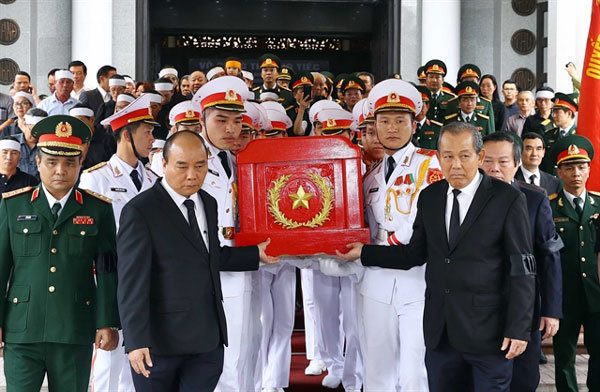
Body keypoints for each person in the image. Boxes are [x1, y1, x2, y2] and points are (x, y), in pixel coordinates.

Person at [338, 122, 536, 391]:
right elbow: (413, 254)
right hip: (441, 336)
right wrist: (364, 253)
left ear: (479, 157)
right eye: (448, 156)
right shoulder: (430, 196)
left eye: (464, 156)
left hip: (489, 335)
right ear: (438, 157)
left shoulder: (507, 199)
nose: (455, 165)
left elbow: (522, 267)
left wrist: (519, 328)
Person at [117, 130, 277, 392]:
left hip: (207, 340)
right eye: (182, 166)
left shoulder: (208, 202)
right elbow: (131, 282)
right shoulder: (140, 211)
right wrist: (135, 341)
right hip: (160, 344)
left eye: (200, 166)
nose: (192, 175)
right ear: (164, 165)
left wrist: (254, 254)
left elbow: (209, 256)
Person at [0, 114, 120, 392]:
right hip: (22, 329)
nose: (60, 171)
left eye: (69, 163)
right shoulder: (13, 207)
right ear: (38, 162)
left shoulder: (97, 209)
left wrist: (106, 321)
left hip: (74, 328)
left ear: (80, 164)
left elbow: (106, 269)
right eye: (52, 162)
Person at [356, 78, 441, 391]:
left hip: (418, 283)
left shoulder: (431, 165)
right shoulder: (371, 176)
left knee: (414, 371)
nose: (392, 128)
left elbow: (425, 224)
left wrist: (388, 242)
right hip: (376, 282)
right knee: (376, 370)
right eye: (384, 121)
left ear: (414, 124)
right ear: (374, 125)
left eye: (400, 121)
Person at [191, 76, 267, 391]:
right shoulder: (190, 164)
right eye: (221, 120)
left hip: (244, 272)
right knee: (221, 366)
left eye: (237, 121)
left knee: (248, 352)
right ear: (201, 120)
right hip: (209, 278)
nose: (231, 129)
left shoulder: (236, 162)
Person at [79, 94, 159, 392]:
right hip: (112, 280)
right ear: (127, 134)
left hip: (149, 280)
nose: (153, 138)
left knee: (140, 361)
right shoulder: (96, 179)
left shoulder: (153, 179)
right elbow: (89, 240)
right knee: (109, 364)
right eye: (147, 132)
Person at [480, 132, 563, 391]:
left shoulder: (535, 199)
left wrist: (551, 310)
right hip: (478, 307)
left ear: (517, 164)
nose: (494, 168)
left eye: (503, 162)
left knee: (523, 379)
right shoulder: (465, 199)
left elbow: (549, 256)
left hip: (523, 306)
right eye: (488, 161)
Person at [547, 135, 600, 392]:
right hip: (564, 297)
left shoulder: (599, 204)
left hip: (596, 295)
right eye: (569, 167)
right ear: (559, 171)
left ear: (589, 169)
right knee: (564, 358)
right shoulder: (548, 209)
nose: (576, 173)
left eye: (581, 167)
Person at [16, 108, 48, 179]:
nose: (34, 135)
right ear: (24, 125)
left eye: (38, 132)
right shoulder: (13, 143)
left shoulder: (48, 145)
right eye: (31, 130)